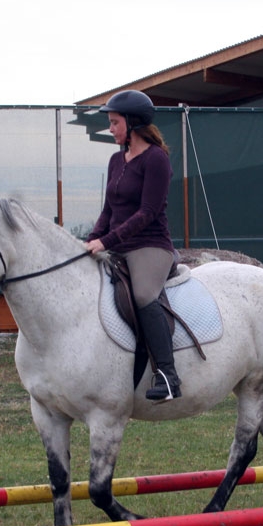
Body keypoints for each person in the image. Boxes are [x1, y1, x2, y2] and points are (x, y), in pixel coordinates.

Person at [85, 90, 182, 401]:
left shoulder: (156, 159)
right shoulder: (116, 160)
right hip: (117, 245)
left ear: (133, 122)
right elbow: (109, 210)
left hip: (149, 246)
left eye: (114, 123)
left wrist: (107, 240)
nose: (111, 128)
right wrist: (91, 241)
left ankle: (167, 376)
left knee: (142, 295)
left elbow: (148, 212)